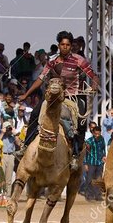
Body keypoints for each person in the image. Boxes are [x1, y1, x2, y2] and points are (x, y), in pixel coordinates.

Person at [19, 31, 100, 171]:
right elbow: (40, 79)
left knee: (81, 122)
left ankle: (75, 154)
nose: (65, 47)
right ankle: (25, 146)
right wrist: (26, 94)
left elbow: (94, 76)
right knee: (35, 113)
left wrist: (93, 86)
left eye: (68, 44)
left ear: (71, 46)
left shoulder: (79, 60)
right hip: (54, 97)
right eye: (62, 44)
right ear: (59, 45)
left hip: (73, 96)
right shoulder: (52, 62)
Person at [83, 125, 107, 201]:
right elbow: (85, 153)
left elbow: (103, 149)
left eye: (98, 134)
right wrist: (85, 163)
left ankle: (98, 195)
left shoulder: (102, 139)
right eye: (95, 134)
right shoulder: (89, 141)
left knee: (98, 180)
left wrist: (104, 156)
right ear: (93, 133)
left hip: (99, 163)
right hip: (90, 162)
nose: (97, 135)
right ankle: (89, 195)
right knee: (89, 179)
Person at [0, 121, 19, 195]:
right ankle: (1, 195)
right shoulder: (0, 135)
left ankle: (7, 195)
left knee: (9, 177)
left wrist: (15, 134)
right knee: (2, 176)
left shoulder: (12, 137)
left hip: (11, 155)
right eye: (7, 128)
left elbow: (18, 144)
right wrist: (2, 133)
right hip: (2, 155)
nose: (9, 129)